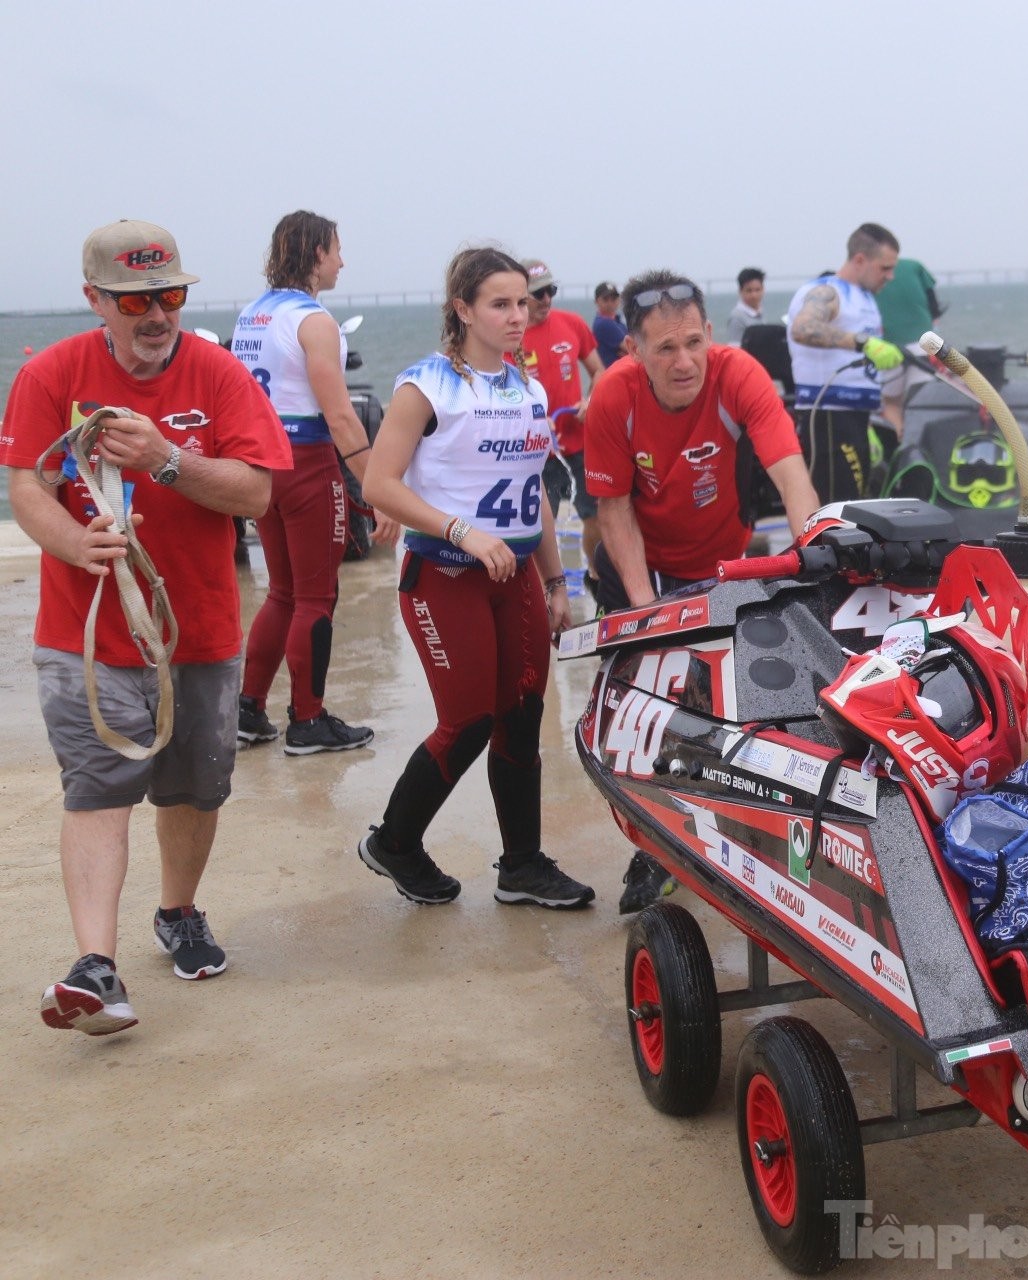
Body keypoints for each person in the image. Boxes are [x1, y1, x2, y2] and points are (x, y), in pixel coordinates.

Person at [7, 219, 290, 1035]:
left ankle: (178, 911)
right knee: (98, 786)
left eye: (169, 294)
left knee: (196, 787)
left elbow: (257, 494)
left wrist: (166, 459)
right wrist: (74, 542)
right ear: (95, 298)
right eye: (135, 300)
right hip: (85, 634)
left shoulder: (220, 374)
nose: (156, 313)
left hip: (198, 627)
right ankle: (94, 965)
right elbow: (26, 484)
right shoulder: (52, 373)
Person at [354, 247, 593, 910]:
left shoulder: (529, 388)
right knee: (468, 721)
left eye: (524, 303)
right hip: (444, 576)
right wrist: (461, 530)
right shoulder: (425, 386)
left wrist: (554, 581)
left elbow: (534, 492)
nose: (519, 316)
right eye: (501, 304)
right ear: (463, 309)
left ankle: (522, 865)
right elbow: (378, 484)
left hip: (514, 578)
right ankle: (394, 843)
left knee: (521, 717)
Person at [232, 211, 397, 754]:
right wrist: (379, 490)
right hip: (306, 465)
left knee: (281, 592)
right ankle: (308, 720)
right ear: (314, 254)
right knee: (315, 597)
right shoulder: (315, 320)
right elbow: (342, 417)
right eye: (336, 249)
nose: (342, 260)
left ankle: (247, 708)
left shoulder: (252, 314)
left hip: (261, 467)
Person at [585, 269, 820, 610]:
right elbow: (614, 508)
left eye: (694, 343)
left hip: (726, 560)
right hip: (644, 562)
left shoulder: (740, 374)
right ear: (634, 349)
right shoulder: (613, 394)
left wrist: (811, 574)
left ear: (709, 334)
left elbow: (792, 479)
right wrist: (647, 610)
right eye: (666, 348)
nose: (685, 363)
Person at [785, 223, 904, 503]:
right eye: (884, 268)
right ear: (860, 260)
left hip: (858, 418)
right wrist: (863, 342)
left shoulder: (866, 298)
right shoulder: (827, 291)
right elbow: (802, 328)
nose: (890, 276)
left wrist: (870, 422)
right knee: (837, 511)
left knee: (857, 507)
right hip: (828, 418)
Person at [520, 259, 606, 583]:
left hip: (580, 440)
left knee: (594, 515)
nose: (546, 300)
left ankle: (597, 582)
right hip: (538, 450)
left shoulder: (571, 323)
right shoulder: (509, 337)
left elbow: (599, 370)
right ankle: (544, 589)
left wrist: (591, 400)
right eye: (537, 294)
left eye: (550, 291)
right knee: (541, 525)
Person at [875, 255, 943, 429]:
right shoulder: (915, 266)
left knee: (891, 403)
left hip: (887, 348)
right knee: (920, 401)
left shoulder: (871, 270)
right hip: (925, 345)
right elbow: (933, 304)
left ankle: (897, 443)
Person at [725, 267, 766, 345]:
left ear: (763, 289)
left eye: (757, 290)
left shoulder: (759, 312)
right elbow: (735, 348)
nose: (754, 295)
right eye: (749, 290)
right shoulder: (737, 317)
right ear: (740, 291)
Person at [591, 281, 627, 367]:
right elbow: (632, 349)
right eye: (605, 299)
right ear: (596, 301)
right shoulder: (603, 324)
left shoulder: (618, 321)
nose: (610, 303)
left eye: (613, 299)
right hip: (613, 375)